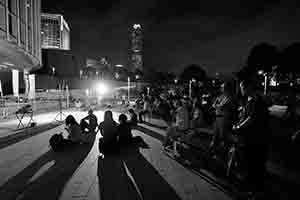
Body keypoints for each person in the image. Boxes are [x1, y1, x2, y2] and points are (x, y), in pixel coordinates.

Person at [234, 79, 269, 195]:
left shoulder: (256, 100)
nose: (241, 90)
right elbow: (246, 115)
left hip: (256, 138)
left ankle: (256, 190)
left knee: (255, 162)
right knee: (249, 161)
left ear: (248, 87)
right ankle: (252, 186)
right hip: (249, 137)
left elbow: (252, 118)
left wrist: (239, 127)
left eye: (242, 88)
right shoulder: (249, 100)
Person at [210, 81, 238, 153]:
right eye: (222, 87)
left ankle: (224, 153)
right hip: (218, 118)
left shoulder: (230, 96)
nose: (221, 88)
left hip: (224, 118)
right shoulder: (221, 96)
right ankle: (214, 151)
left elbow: (222, 106)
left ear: (227, 88)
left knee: (223, 136)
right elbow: (214, 105)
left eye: (223, 87)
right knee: (215, 135)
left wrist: (217, 105)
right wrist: (217, 105)